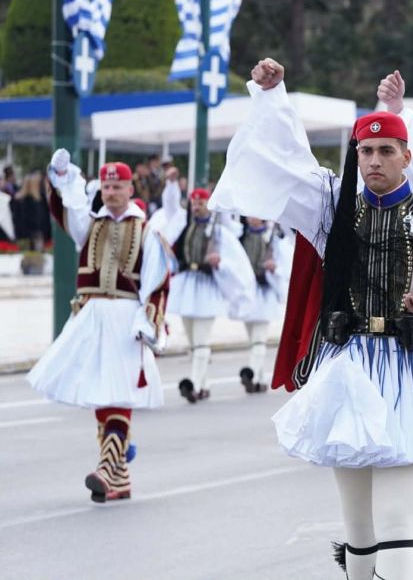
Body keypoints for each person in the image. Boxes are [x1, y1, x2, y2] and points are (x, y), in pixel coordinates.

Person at [208, 58, 413, 580]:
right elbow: (284, 159)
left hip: (412, 373)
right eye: (366, 151)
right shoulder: (332, 204)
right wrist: (272, 95)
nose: (375, 160)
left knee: (399, 522)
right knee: (358, 532)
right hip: (349, 371)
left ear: (408, 156)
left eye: (386, 150)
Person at [27, 153, 170, 502]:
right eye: (106, 187)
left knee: (118, 391)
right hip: (91, 315)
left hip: (126, 318)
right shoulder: (90, 225)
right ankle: (119, 477)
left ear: (130, 188)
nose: (111, 192)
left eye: (117, 186)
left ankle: (107, 468)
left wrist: (149, 321)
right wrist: (62, 175)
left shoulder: (147, 231)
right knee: (100, 388)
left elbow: (158, 281)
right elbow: (68, 209)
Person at [154, 170, 254, 403]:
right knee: (193, 341)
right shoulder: (183, 224)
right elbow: (170, 206)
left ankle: (196, 385)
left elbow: (235, 260)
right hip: (187, 286)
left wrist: (220, 262)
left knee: (200, 340)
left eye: (201, 202)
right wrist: (171, 183)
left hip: (207, 288)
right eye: (194, 202)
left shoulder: (219, 232)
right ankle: (205, 383)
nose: (197, 206)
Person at [230, 217, 292, 393]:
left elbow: (286, 265)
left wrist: (275, 268)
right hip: (248, 293)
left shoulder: (275, 240)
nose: (252, 218)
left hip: (265, 292)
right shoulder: (241, 236)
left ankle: (252, 374)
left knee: (259, 339)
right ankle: (259, 378)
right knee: (254, 340)